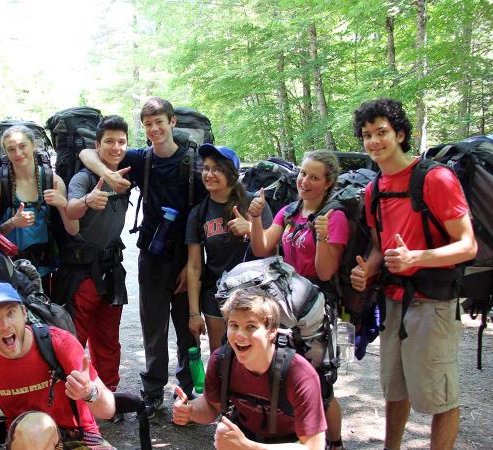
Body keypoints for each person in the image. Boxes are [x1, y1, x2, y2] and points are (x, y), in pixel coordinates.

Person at [349, 98, 476, 450]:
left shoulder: (436, 178)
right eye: (367, 135)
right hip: (392, 302)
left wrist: (415, 258)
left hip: (432, 303)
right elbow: (380, 247)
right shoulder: (375, 189)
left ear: (400, 134)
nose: (373, 141)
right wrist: (368, 270)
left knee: (440, 397)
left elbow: (467, 245)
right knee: (394, 389)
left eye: (381, 133)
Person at [78, 97, 203, 413]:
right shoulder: (141, 159)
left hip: (185, 255)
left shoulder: (193, 161)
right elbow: (87, 153)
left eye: (160, 121)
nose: (155, 128)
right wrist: (110, 177)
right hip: (151, 252)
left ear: (172, 122)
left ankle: (186, 390)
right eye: (148, 124)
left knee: (185, 326)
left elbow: (205, 214)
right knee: (153, 326)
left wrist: (192, 268)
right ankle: (152, 390)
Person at [248, 150, 347, 449]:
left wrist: (325, 238)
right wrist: (254, 217)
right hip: (288, 307)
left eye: (314, 177)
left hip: (318, 309)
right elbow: (262, 248)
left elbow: (325, 272)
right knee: (287, 375)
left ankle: (336, 442)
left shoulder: (335, 217)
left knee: (320, 384)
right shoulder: (289, 211)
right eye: (303, 174)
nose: (305, 181)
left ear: (328, 183)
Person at [0, 282, 116, 450]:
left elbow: (108, 410)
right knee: (35, 428)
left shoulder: (60, 343)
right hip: (27, 439)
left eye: (11, 313)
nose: (4, 325)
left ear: (24, 313)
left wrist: (89, 392)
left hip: (79, 435)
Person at [172, 287, 327, 449]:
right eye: (234, 325)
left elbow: (313, 446)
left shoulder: (299, 374)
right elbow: (212, 407)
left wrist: (248, 447)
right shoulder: (222, 361)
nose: (239, 334)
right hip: (245, 435)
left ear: (272, 331)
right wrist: (189, 410)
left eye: (251, 326)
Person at [55, 115, 131, 418]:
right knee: (77, 339)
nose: (115, 147)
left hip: (112, 269)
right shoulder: (83, 178)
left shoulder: (127, 171)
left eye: (121, 142)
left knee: (108, 339)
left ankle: (107, 397)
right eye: (108, 141)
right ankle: (73, 398)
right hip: (83, 271)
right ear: (97, 144)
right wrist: (88, 199)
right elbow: (70, 208)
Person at [185, 144, 272, 353]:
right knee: (221, 354)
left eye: (218, 169)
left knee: (253, 352)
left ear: (232, 174)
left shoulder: (254, 204)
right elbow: (195, 267)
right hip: (215, 293)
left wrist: (251, 228)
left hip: (254, 293)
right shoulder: (198, 213)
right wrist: (194, 313)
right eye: (206, 168)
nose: (210, 174)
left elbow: (273, 249)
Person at [0, 125, 74, 294]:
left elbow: (72, 229)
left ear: (33, 145)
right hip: (7, 270)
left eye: (22, 146)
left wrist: (63, 204)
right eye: (11, 149)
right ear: (5, 153)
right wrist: (13, 222)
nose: (18, 153)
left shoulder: (53, 181)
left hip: (43, 270)